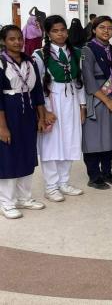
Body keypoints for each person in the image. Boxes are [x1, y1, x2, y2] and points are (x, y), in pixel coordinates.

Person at [33, 16, 85, 202]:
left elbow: (79, 81)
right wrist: (44, 111)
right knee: (51, 144)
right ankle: (51, 186)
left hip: (71, 100)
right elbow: (36, 85)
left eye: (63, 30)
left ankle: (64, 182)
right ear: (48, 33)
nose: (60, 34)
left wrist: (82, 105)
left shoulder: (76, 52)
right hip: (51, 100)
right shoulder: (39, 55)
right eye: (55, 31)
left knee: (70, 140)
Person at [0, 25, 49, 219]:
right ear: (4, 41)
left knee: (27, 154)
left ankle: (24, 197)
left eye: (19, 38)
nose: (17, 42)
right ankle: (6, 202)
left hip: (27, 113)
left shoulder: (30, 62)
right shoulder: (1, 63)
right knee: (8, 157)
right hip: (8, 113)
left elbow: (37, 93)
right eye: (12, 39)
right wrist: (2, 127)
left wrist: (41, 117)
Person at [81, 16, 112, 189]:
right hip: (97, 99)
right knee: (93, 138)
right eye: (102, 27)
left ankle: (107, 172)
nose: (106, 31)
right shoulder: (87, 50)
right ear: (94, 29)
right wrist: (108, 101)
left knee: (110, 137)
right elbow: (88, 79)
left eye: (109, 27)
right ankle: (94, 176)